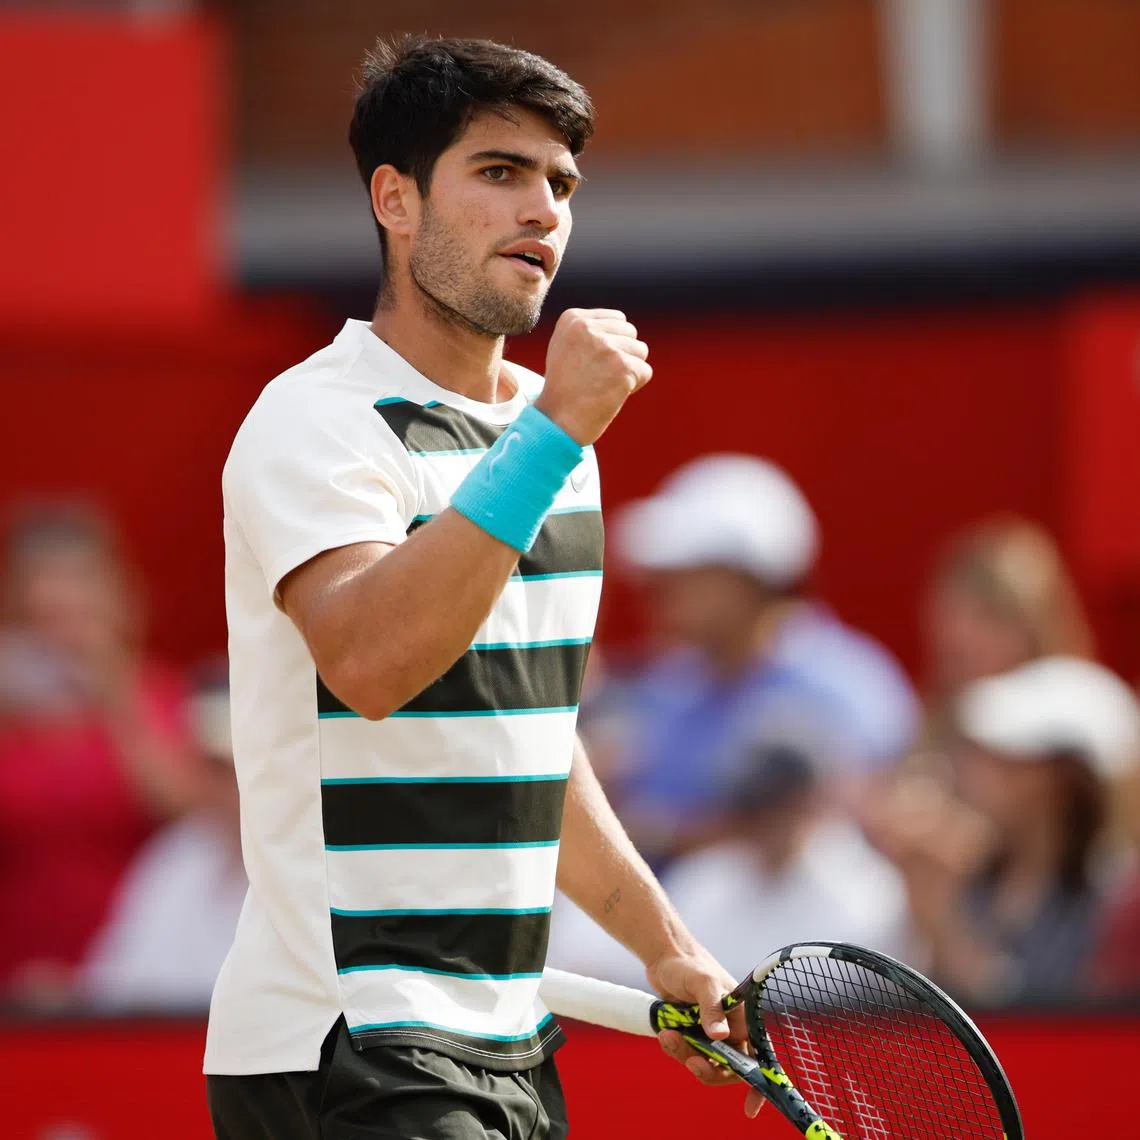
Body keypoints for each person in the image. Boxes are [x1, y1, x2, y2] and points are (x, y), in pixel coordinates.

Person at [204, 36, 763, 1140]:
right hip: (347, 1037)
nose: (543, 210)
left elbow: (524, 732)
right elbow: (370, 664)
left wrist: (665, 942)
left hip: (503, 1043)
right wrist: (554, 430)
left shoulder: (548, 442)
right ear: (395, 200)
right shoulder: (312, 419)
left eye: (561, 184)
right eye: (500, 173)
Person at [590, 454, 918, 868]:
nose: (661, 590)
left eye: (689, 571)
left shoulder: (847, 687)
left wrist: (670, 834)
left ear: (750, 578)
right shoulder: (668, 684)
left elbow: (839, 838)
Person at [0, 505, 204, 1006]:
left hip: (136, 985)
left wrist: (115, 692)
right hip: (17, 979)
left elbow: (190, 815)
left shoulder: (165, 699)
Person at [870, 656, 1140, 1005]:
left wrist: (941, 919)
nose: (971, 769)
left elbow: (1059, 1034)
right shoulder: (972, 878)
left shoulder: (1117, 900)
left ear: (1056, 779)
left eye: (1003, 756)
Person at [547, 744, 913, 986]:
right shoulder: (710, 878)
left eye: (784, 808)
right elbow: (609, 960)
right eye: (756, 810)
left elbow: (852, 992)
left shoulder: (867, 889)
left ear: (813, 806)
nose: (770, 824)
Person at [79, 678, 247, 1011]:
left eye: (240, 765)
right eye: (216, 768)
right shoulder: (176, 856)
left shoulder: (312, 869)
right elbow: (109, 989)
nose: (229, 784)